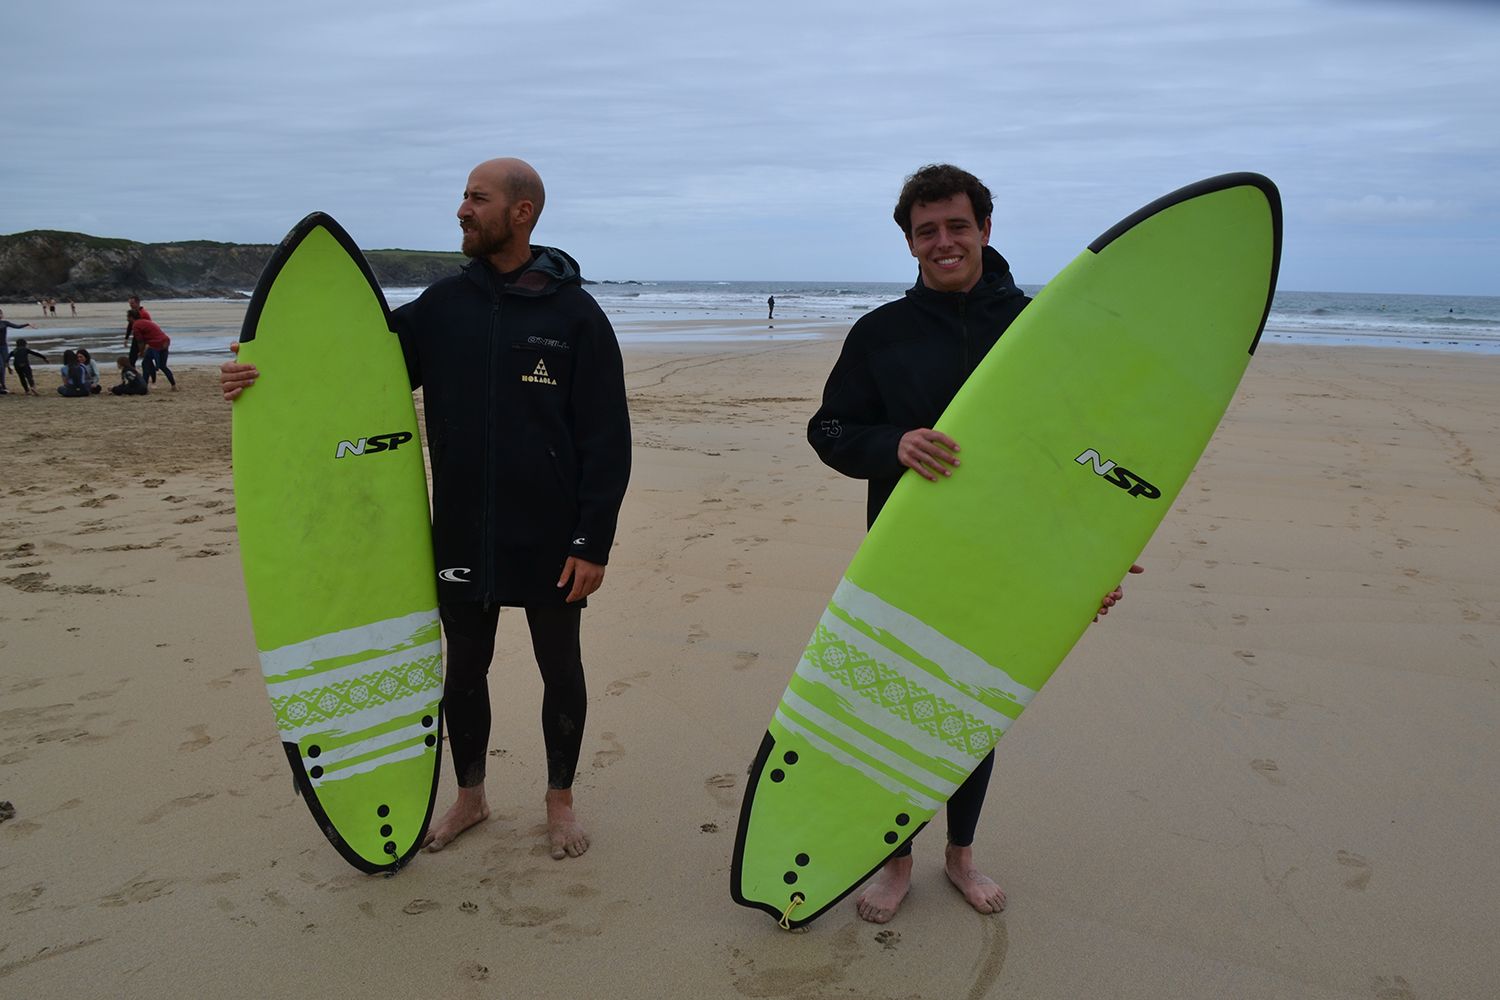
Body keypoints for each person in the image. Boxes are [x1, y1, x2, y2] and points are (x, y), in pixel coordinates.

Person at [221, 157, 632, 861]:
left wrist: (593, 540)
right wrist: (262, 379)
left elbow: (606, 437)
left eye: (477, 198)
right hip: (463, 529)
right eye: (464, 197)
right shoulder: (443, 307)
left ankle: (559, 803)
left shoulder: (574, 316)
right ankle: (470, 796)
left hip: (551, 534)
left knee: (559, 667)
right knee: (463, 670)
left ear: (522, 211)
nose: (462, 210)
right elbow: (357, 373)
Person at [807, 163, 1142, 925]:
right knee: (898, 711)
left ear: (985, 228)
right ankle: (896, 860)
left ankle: (959, 855)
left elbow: (1087, 454)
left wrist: (1101, 552)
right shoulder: (881, 334)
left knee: (968, 709)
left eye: (958, 226)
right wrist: (891, 444)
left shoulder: (1042, 327)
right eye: (927, 231)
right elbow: (828, 429)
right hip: (908, 557)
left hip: (1011, 556)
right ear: (910, 243)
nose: (944, 242)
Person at [129, 309, 176, 389]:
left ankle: (144, 387)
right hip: (165, 341)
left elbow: (140, 341)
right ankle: (173, 385)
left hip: (155, 344)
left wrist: (141, 352)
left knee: (145, 364)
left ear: (131, 317)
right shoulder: (146, 321)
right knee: (163, 366)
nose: (127, 319)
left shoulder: (136, 325)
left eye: (128, 317)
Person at [0, 308, 33, 395]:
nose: (0, 315)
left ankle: (3, 385)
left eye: (0, 313)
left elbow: (17, 326)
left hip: (3, 346)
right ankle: (2, 384)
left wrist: (27, 324)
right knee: (0, 366)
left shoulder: (5, 323)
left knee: (4, 365)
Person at [124, 296, 151, 367]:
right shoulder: (133, 313)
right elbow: (130, 325)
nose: (130, 305)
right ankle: (133, 374)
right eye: (130, 303)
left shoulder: (144, 314)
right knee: (132, 359)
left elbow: (149, 328)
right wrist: (126, 338)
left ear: (138, 303)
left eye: (132, 303)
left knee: (146, 360)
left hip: (144, 339)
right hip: (136, 337)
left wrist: (147, 343)